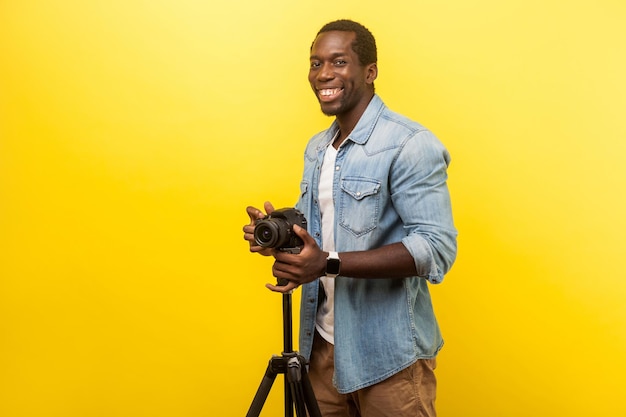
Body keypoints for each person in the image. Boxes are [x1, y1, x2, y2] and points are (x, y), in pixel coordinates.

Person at [242, 19, 457, 417]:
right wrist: (282, 238)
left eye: (338, 62)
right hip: (321, 352)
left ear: (369, 71)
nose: (323, 74)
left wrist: (327, 263)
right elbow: (321, 231)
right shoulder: (318, 148)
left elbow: (436, 248)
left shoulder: (409, 144)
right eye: (316, 63)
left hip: (389, 360)